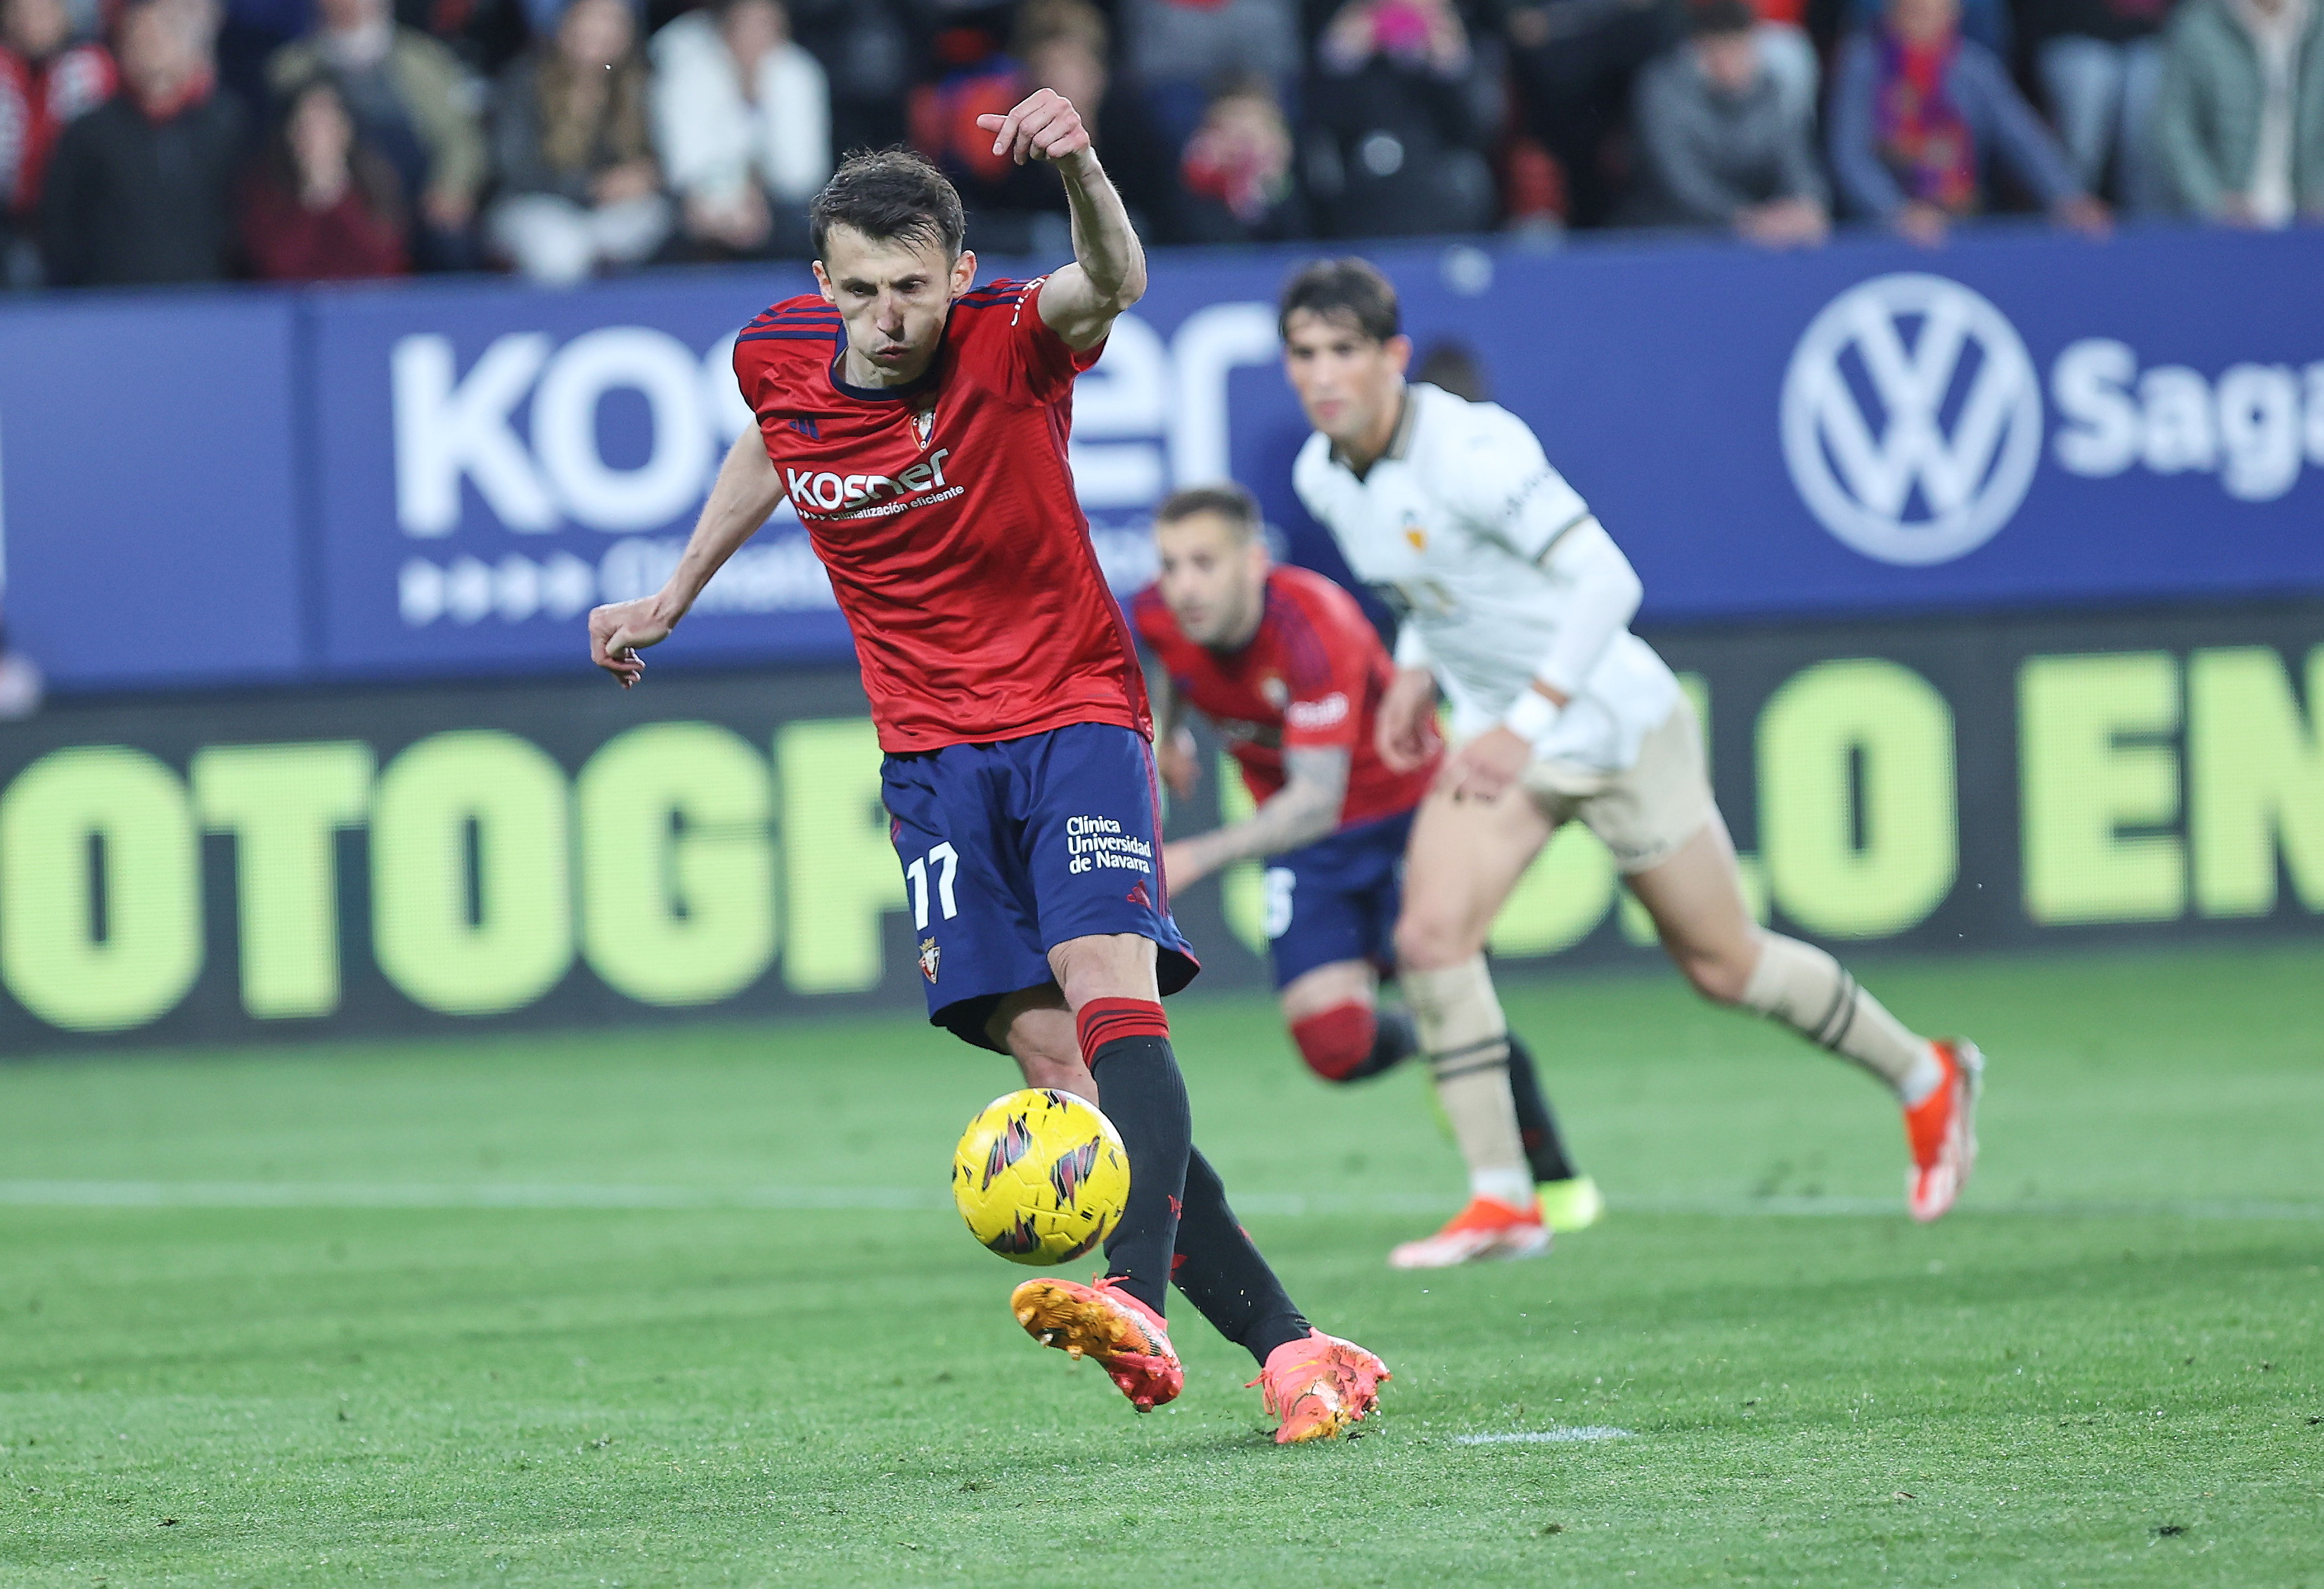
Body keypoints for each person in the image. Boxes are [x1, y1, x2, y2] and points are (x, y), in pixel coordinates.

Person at [582, 124, 1388, 1443]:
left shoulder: (1017, 336)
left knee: (1107, 988)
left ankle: (1132, 1288)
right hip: (929, 761)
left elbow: (1112, 279)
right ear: (821, 279)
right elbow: (773, 441)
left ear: (958, 270)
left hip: (1072, 711)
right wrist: (675, 590)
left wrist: (1078, 171)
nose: (888, 316)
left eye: (913, 284)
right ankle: (1297, 1348)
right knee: (1055, 1060)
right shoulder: (773, 352)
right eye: (860, 289)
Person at [1278, 257, 1986, 1242]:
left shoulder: (1473, 450)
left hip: (1611, 723)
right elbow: (1429, 584)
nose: (1321, 375)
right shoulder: (1323, 472)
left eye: (1343, 352)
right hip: (1503, 734)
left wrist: (1522, 721)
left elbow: (1608, 582)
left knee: (1723, 963)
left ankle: (1925, 1075)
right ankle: (1504, 1196)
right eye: (1303, 353)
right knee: (1430, 938)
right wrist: (1413, 666)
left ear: (1392, 358)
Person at [1133, 483, 1605, 1264]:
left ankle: (1545, 1177)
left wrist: (1194, 856)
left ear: (1254, 563)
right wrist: (1171, 732)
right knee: (1332, 1045)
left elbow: (1316, 802)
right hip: (1311, 850)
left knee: (1443, 980)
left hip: (1409, 820)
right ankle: (1439, 1046)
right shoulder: (1157, 613)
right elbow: (1164, 664)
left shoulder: (1316, 626)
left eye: (1204, 563)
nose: (1183, 585)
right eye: (1171, 564)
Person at [1828, 0, 2112, 243]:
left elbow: (2023, 137)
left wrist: (2069, 197)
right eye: (1911, 9)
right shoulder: (1863, 63)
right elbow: (1851, 154)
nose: (1921, 15)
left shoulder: (1974, 67)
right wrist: (1895, 212)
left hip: (1965, 217)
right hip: (1880, 229)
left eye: (1931, 8)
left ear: (1954, 14)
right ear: (1891, 11)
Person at [266, 0, 485, 271]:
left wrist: (452, 188)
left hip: (417, 200)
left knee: (450, 244)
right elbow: (275, 152)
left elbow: (460, 137)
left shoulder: (424, 60)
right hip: (338, 196)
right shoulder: (291, 67)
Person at [39, 0, 244, 285]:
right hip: (111, 306)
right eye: (138, 37)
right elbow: (60, 223)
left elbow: (247, 216)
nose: (152, 46)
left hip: (207, 302)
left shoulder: (228, 125)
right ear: (121, 50)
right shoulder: (89, 132)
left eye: (162, 33)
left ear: (190, 45)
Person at [488, 0, 670, 285]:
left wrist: (647, 177)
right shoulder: (524, 80)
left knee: (653, 220)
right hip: (535, 205)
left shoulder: (639, 83)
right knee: (561, 248)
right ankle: (557, 324)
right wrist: (593, 187)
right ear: (564, 25)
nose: (600, 31)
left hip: (611, 215)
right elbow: (516, 169)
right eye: (591, 19)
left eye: (613, 21)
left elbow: (664, 157)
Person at [1630, 0, 1828, 243]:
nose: (1731, 63)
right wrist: (1745, 217)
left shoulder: (1771, 90)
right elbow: (1680, 180)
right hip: (1673, 234)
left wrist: (1806, 204)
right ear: (1699, 48)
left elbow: (1795, 159)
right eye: (1720, 50)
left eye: (1740, 49)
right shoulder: (1663, 90)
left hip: (1757, 234)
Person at [650, 0, 829, 261]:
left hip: (778, 203)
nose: (755, 38)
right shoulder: (690, 72)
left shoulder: (799, 73)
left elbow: (802, 173)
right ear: (726, 30)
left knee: (806, 226)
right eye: (745, 26)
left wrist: (756, 193)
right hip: (705, 198)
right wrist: (730, 197)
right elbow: (685, 162)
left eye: (766, 26)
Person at [1308, 0, 1498, 237]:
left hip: (1434, 176)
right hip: (1363, 177)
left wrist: (1449, 65)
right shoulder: (1354, 53)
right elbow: (1323, 125)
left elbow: (1475, 131)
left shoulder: (1451, 47)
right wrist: (1340, 60)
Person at [2152, 0, 2324, 226]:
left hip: (2311, 221)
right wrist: (2213, 201)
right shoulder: (2199, 25)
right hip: (2227, 223)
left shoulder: (2316, 23)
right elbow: (2173, 126)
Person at [240, 72, 409, 278]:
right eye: (306, 126)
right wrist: (313, 198)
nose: (316, 137)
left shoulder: (376, 180)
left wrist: (338, 194)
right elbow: (277, 268)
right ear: (290, 133)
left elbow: (385, 264)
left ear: (346, 131)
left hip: (367, 306)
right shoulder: (266, 188)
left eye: (327, 125)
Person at [2023, 0, 2176, 213]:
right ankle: (2074, 209)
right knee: (2092, 81)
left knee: (2146, 85)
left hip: (2146, 40)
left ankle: (2150, 224)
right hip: (2071, 34)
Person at [0, 0, 115, 285]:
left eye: (41, 12)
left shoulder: (93, 67)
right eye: (19, 13)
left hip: (77, 221)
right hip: (9, 219)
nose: (30, 23)